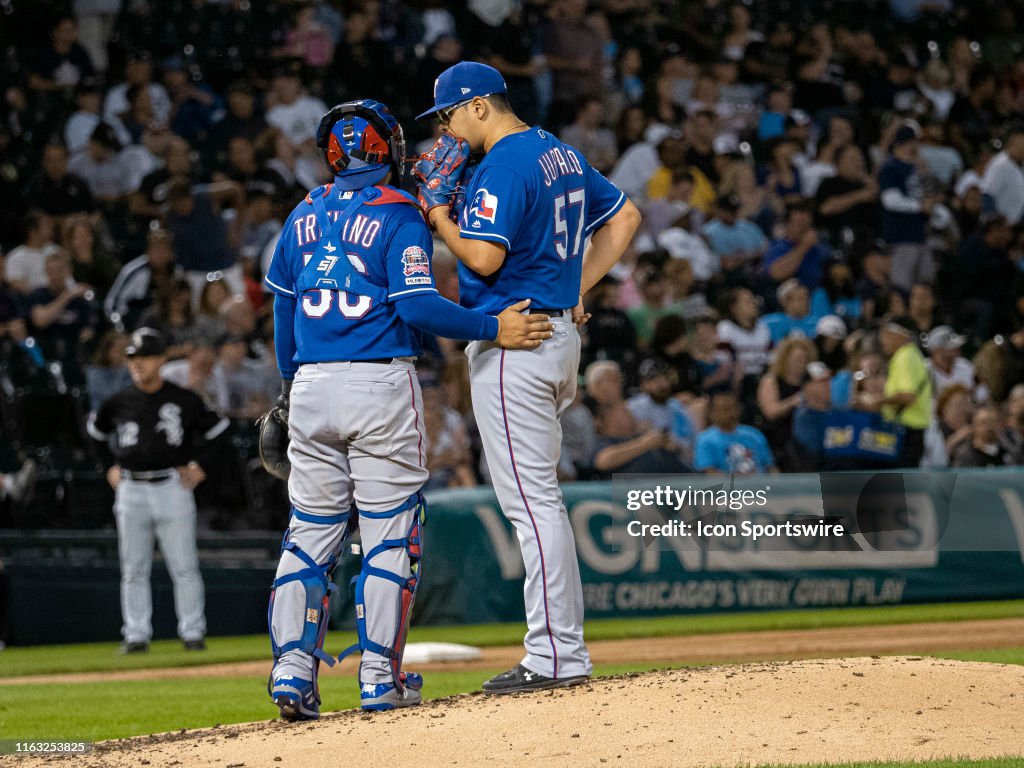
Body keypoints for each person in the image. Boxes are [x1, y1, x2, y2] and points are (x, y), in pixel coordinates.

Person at [262, 98, 552, 720]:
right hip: (378, 384)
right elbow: (418, 306)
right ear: (388, 150)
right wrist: (487, 326)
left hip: (310, 385)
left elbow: (284, 311)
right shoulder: (398, 214)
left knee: (310, 533)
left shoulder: (303, 213)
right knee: (390, 535)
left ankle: (292, 669)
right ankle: (377, 679)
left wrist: (288, 389)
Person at [416, 62, 640, 695]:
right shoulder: (561, 153)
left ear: (480, 106)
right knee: (540, 501)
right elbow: (625, 220)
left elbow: (483, 257)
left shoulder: (504, 165)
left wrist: (437, 214)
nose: (448, 130)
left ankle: (557, 655)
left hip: (519, 342)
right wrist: (575, 288)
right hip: (557, 336)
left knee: (532, 505)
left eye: (451, 115)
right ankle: (559, 651)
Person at [86, 327, 229, 654]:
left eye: (145, 357)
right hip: (131, 487)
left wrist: (200, 467)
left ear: (162, 360)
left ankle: (193, 632)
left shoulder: (182, 399)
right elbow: (94, 433)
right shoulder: (119, 401)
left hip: (171, 486)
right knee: (133, 568)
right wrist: (107, 466)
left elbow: (220, 432)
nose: (138, 364)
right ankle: (136, 635)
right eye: (133, 357)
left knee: (184, 565)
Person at [871, 316, 934, 467]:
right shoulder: (909, 355)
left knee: (901, 484)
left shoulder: (905, 356)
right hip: (907, 431)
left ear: (901, 335)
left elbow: (908, 396)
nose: (882, 339)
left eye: (886, 334)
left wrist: (878, 401)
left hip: (907, 433)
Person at [694, 390, 776, 474]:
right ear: (711, 412)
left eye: (730, 408)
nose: (726, 413)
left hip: (761, 484)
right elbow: (710, 473)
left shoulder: (754, 435)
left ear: (738, 409)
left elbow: (770, 467)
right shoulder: (705, 440)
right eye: (721, 409)